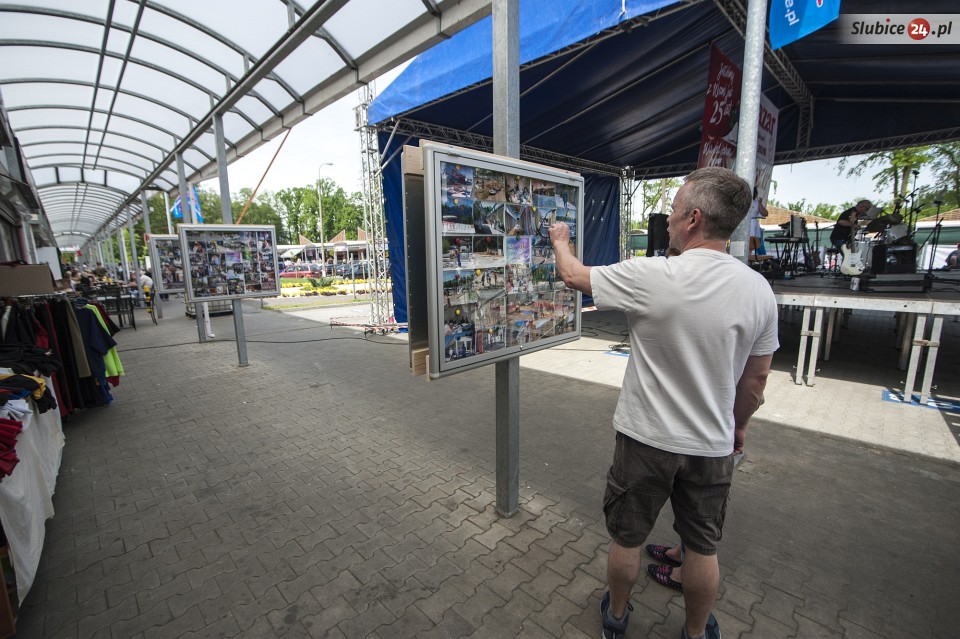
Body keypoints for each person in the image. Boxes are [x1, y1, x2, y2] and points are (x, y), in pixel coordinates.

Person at [548, 167, 778, 639]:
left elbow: (571, 275)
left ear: (694, 219)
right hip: (711, 446)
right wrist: (737, 428)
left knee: (627, 537)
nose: (667, 220)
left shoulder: (652, 275)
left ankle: (616, 616)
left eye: (672, 210)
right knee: (703, 547)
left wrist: (561, 239)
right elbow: (755, 381)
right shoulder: (758, 290)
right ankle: (695, 632)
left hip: (645, 440)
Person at [748, 187, 768, 256]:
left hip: (750, 224)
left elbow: (765, 213)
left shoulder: (756, 202)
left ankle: (749, 257)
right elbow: (765, 213)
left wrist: (759, 203)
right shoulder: (756, 203)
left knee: (752, 243)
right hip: (751, 224)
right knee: (752, 243)